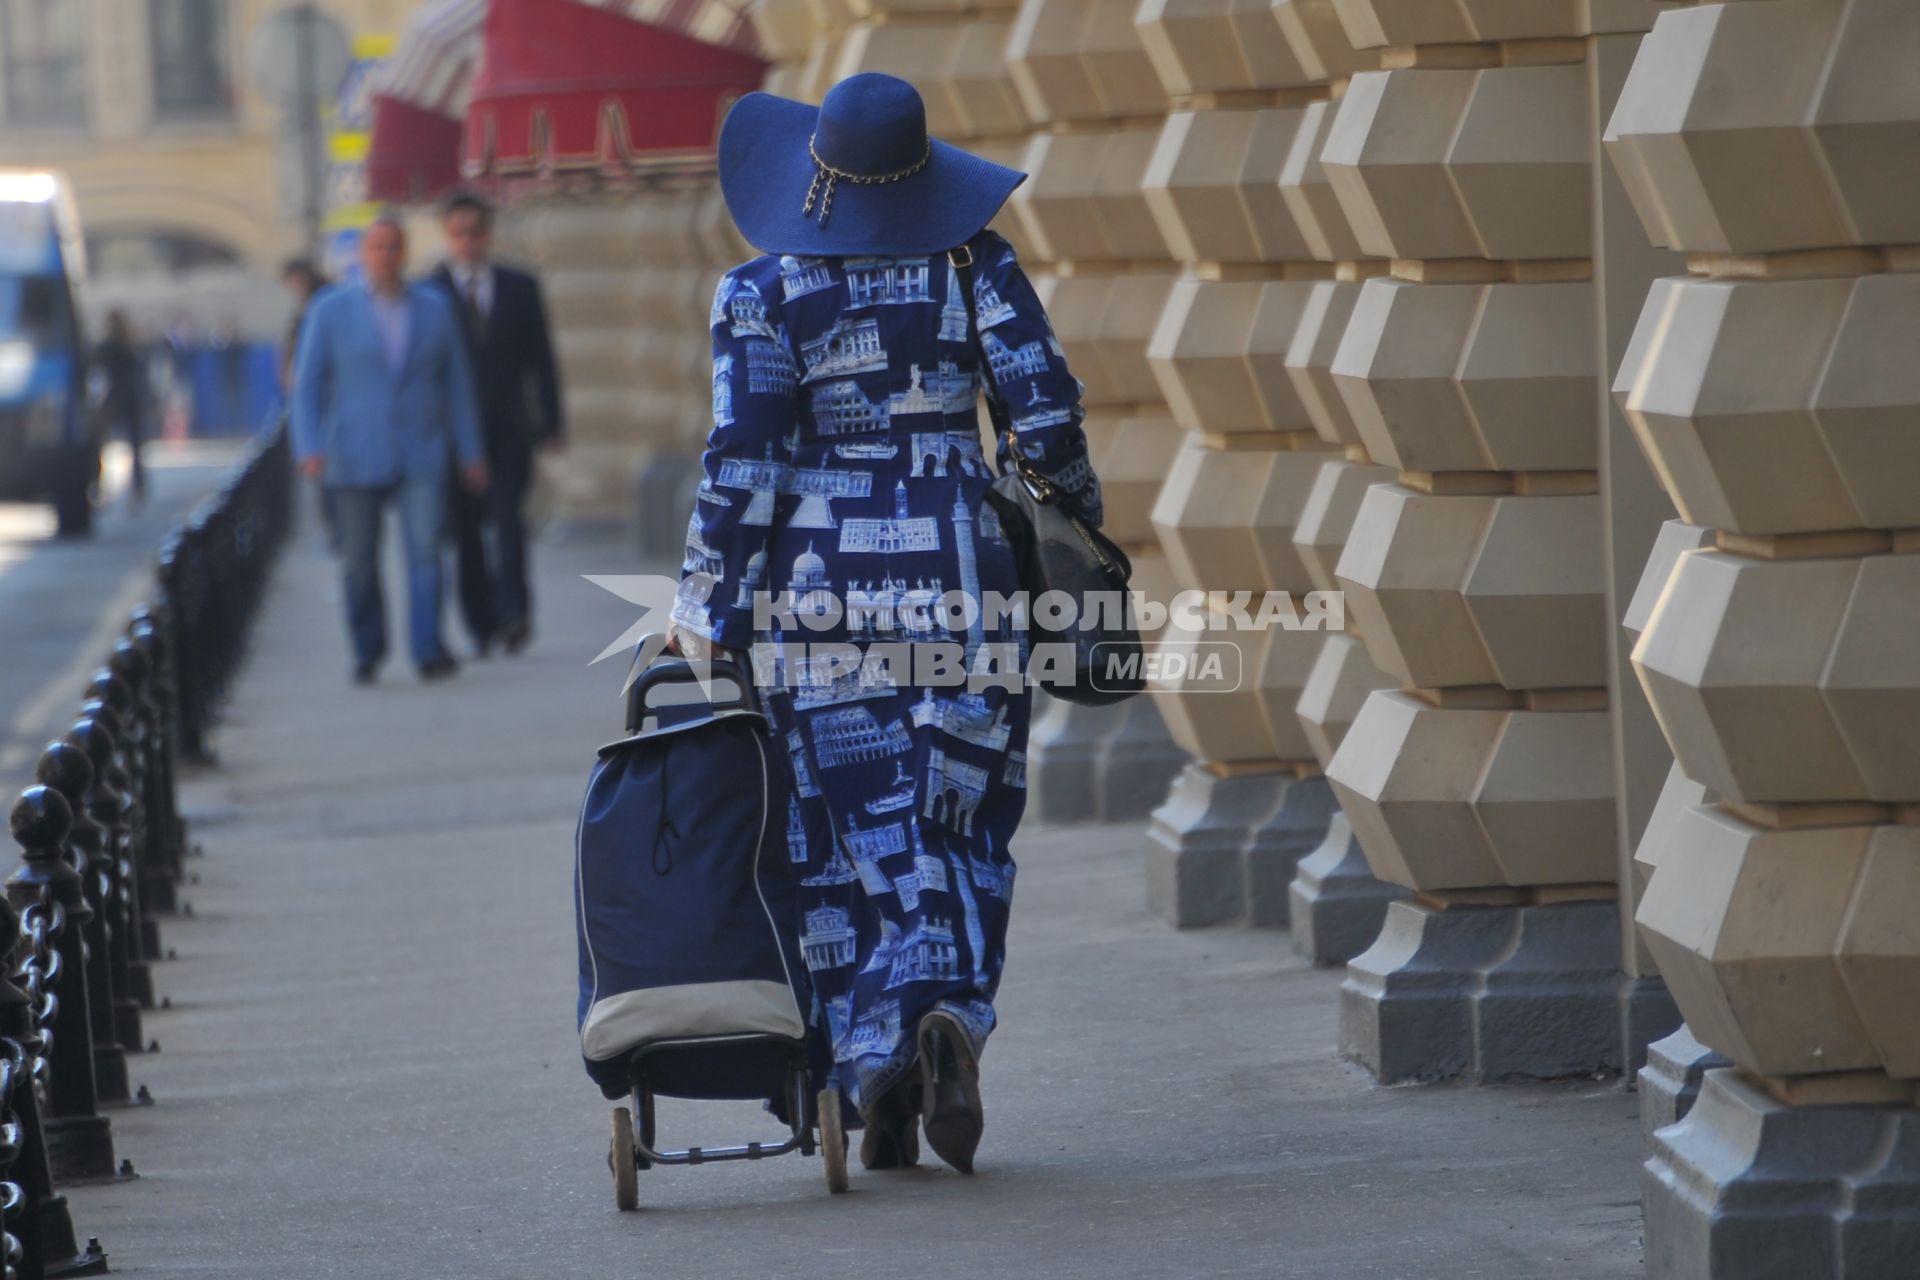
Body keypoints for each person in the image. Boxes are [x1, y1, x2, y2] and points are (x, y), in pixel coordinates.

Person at [667, 73, 1104, 1176]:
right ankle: (947, 1010)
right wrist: (1067, 519)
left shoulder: (761, 291)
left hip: (816, 590)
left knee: (839, 828)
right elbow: (1046, 414)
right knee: (955, 809)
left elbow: (745, 463)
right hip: (964, 568)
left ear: (816, 175)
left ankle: (876, 1057)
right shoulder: (976, 265)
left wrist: (705, 604)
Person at [291, 214, 487, 685]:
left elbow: (457, 385)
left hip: (422, 450)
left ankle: (427, 648)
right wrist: (309, 445)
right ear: (362, 255)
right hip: (353, 454)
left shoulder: (435, 308)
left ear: (405, 253)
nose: (385, 256)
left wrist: (471, 451)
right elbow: (308, 384)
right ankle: (368, 650)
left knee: (426, 553)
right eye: (376, 247)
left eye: (394, 247)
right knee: (358, 562)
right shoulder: (330, 309)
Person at [429, 191, 563, 657]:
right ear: (448, 236)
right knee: (466, 535)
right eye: (459, 232)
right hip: (450, 436)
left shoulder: (519, 286)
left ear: (488, 234)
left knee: (510, 526)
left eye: (476, 231)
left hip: (509, 430)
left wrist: (551, 420)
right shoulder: (430, 292)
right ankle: (480, 623)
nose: (468, 241)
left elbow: (541, 359)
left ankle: (515, 615)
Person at [93, 310, 148, 502]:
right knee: (133, 445)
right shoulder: (130, 346)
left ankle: (99, 485)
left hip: (115, 398)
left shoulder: (109, 346)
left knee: (101, 444)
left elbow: (98, 371)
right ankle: (138, 486)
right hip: (129, 398)